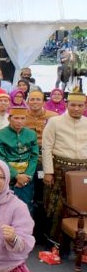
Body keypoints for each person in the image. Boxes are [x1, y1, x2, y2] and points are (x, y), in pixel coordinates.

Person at [41, 90, 87, 240]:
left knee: (81, 206)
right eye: (73, 105)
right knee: (57, 207)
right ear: (67, 104)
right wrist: (48, 171)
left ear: (84, 106)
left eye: (80, 105)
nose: (76, 108)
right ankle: (54, 242)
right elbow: (46, 147)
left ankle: (77, 243)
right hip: (60, 168)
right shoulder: (55, 122)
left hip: (83, 170)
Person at [0, 105, 38, 211]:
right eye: (16, 118)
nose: (19, 121)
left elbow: (34, 156)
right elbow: (0, 158)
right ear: (9, 118)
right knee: (6, 207)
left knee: (26, 206)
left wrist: (28, 176)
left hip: (27, 177)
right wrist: (16, 176)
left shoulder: (31, 134)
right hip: (7, 177)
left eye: (22, 118)